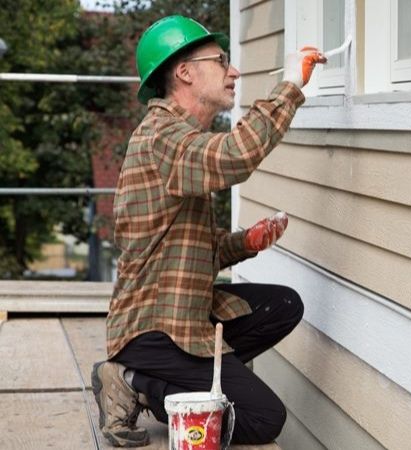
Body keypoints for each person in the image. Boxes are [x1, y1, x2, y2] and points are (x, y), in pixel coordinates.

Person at [90, 15, 325, 447]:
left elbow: (189, 251)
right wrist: (292, 84)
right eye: (221, 61)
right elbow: (237, 155)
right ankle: (135, 380)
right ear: (183, 72)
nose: (234, 71)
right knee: (263, 418)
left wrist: (245, 244)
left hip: (185, 312)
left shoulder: (181, 139)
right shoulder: (163, 137)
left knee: (283, 305)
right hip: (155, 328)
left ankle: (182, 386)